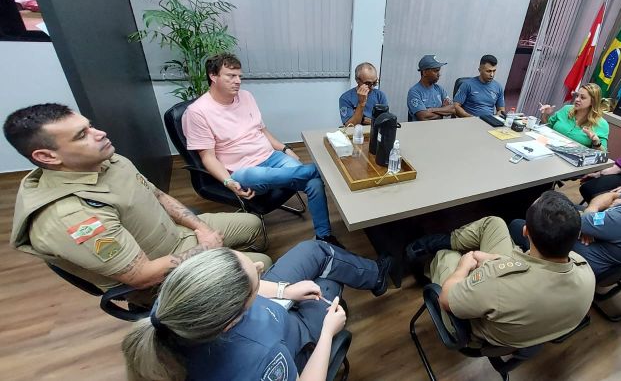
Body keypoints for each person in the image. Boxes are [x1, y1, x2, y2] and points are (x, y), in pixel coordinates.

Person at [4, 103, 270, 305]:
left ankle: (232, 271)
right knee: (262, 264)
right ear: (47, 156)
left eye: (90, 126)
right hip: (156, 278)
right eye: (82, 134)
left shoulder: (108, 161)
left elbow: (157, 195)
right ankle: (238, 301)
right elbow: (141, 276)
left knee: (253, 223)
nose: (100, 133)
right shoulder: (71, 216)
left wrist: (201, 228)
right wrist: (207, 249)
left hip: (177, 235)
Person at [122, 241, 393, 381]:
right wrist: (327, 333)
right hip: (293, 333)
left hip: (270, 312)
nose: (259, 266)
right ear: (232, 320)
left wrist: (285, 291)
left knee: (315, 251)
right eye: (253, 279)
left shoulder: (175, 302)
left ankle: (376, 276)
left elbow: (235, 289)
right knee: (329, 280)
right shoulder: (262, 357)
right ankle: (374, 278)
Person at [182, 53, 341, 247]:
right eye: (231, 76)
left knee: (313, 183)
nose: (238, 81)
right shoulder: (197, 112)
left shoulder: (246, 97)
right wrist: (228, 182)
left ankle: (324, 238)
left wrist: (284, 148)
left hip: (271, 157)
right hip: (242, 171)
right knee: (260, 175)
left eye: (239, 76)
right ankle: (324, 169)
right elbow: (208, 157)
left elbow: (262, 130)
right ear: (213, 76)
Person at [404, 191, 595, 348]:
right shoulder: (585, 270)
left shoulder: (495, 284)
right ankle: (449, 239)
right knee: (494, 223)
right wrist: (495, 260)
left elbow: (447, 299)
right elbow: (534, 270)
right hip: (528, 317)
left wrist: (463, 267)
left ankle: (430, 261)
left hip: (477, 331)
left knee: (446, 256)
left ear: (525, 231)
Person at [539, 84, 609, 150]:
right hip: (548, 148)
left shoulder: (602, 124)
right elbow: (547, 127)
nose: (577, 99)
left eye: (582, 97)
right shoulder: (566, 109)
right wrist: (545, 114)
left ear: (592, 102)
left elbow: (603, 153)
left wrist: (596, 141)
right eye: (577, 96)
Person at [407, 54, 456, 121]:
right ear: (424, 72)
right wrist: (443, 110)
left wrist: (432, 110)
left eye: (439, 71)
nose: (439, 74)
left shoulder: (439, 89)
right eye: (436, 71)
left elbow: (453, 109)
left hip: (439, 126)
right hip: (422, 127)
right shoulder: (414, 92)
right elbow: (424, 117)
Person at [339, 62, 388, 126]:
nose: (372, 87)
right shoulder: (345, 98)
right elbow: (350, 125)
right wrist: (361, 103)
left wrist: (363, 119)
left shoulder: (380, 95)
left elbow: (384, 122)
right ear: (357, 80)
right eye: (368, 83)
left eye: (375, 83)